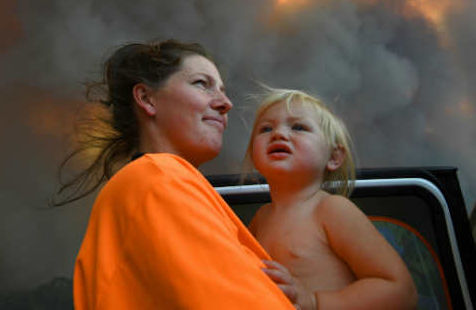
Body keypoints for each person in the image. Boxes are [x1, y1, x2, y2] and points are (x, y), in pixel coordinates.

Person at [55, 40, 295, 309]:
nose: (226, 103)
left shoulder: (153, 181)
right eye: (201, 84)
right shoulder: (158, 178)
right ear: (147, 99)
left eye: (222, 90)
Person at [245, 87, 417, 310]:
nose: (278, 133)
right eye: (266, 128)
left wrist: (315, 302)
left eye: (298, 127)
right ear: (253, 154)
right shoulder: (261, 218)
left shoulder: (332, 209)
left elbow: (401, 290)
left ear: (334, 156)